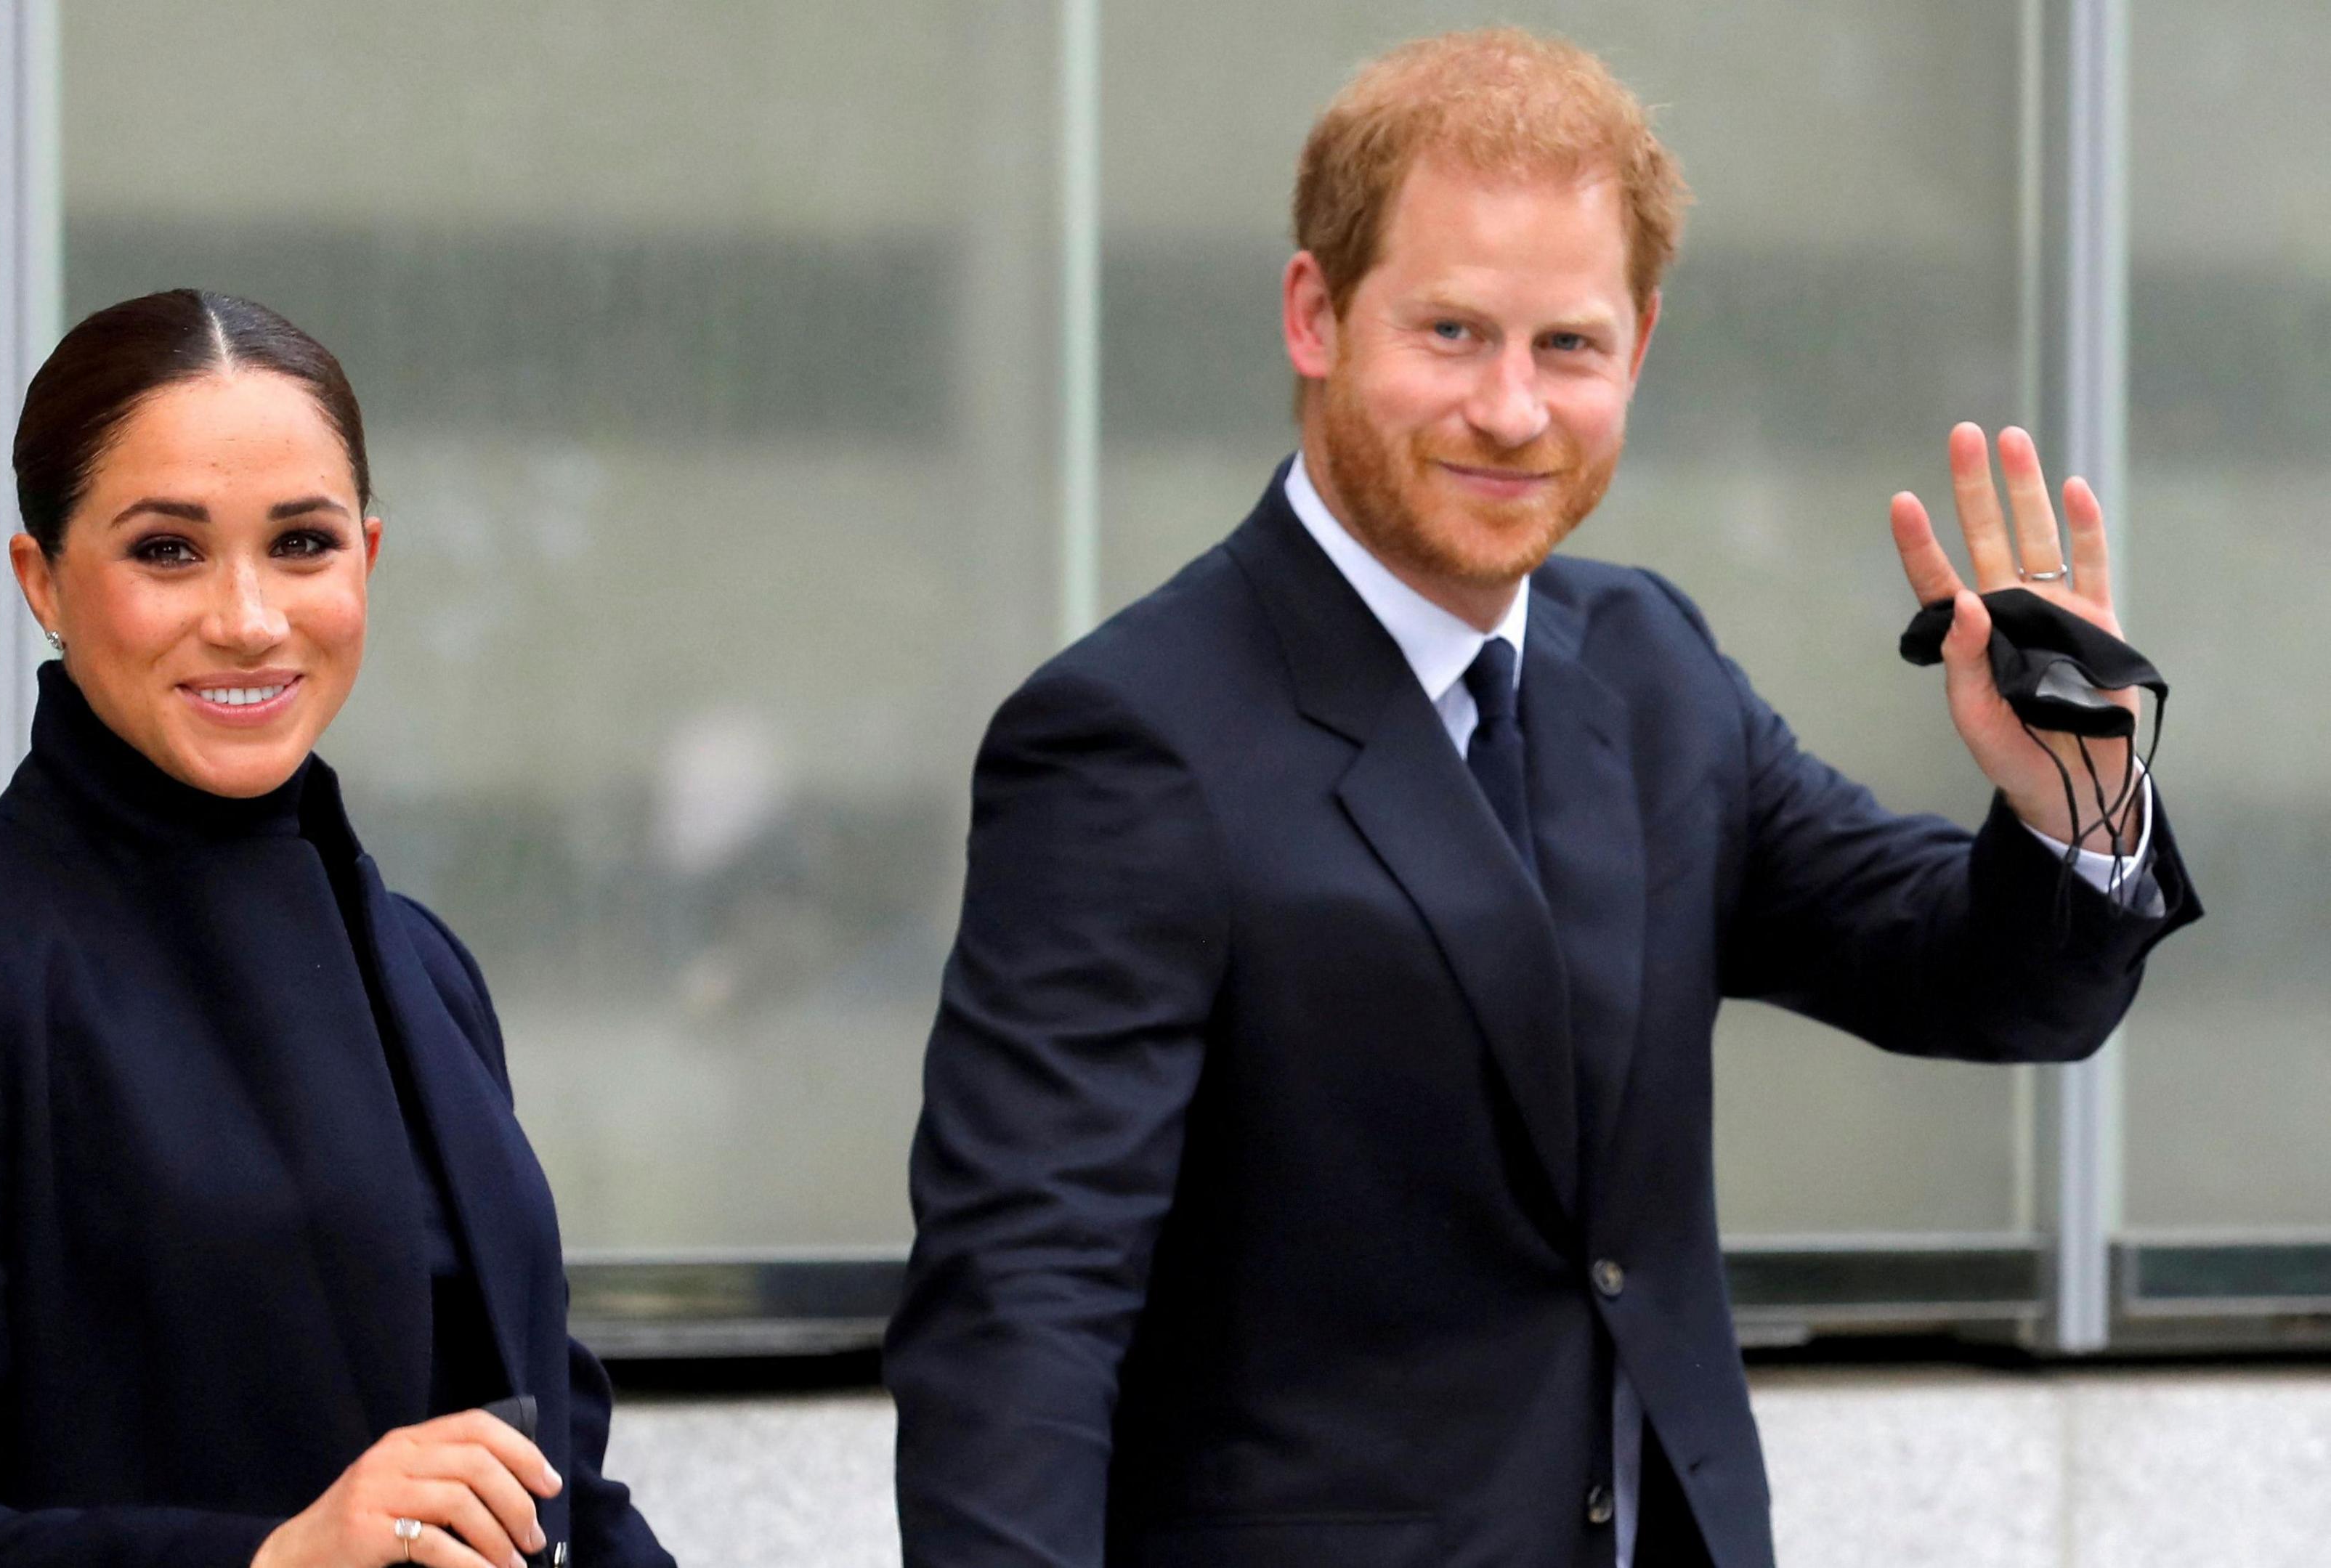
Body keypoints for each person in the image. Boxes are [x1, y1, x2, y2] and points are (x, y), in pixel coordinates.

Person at [885, 29, 2200, 1568]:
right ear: (1315, 314)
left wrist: (2074, 796)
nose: (1511, 411)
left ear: (1638, 345)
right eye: (1451, 332)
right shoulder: (1128, 738)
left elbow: (1987, 982)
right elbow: (1021, 1308)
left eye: (1566, 346)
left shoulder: (1649, 665)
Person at [0, 289, 673, 1568]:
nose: (248, 616)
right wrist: (274, 1558)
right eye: (168, 550)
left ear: (369, 563)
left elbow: (553, 1481)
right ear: (42, 578)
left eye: (302, 545)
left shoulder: (427, 969)